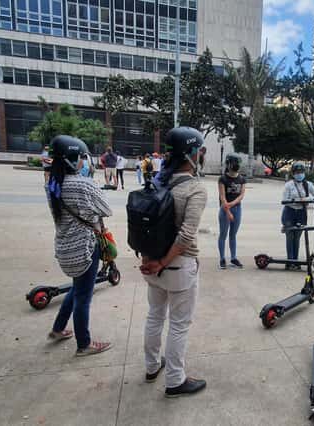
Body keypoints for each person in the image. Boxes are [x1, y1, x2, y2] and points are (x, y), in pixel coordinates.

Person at [139, 127, 208, 398]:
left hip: (152, 264)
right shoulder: (195, 189)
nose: (202, 155)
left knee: (155, 315)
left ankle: (152, 366)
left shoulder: (157, 182)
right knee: (179, 324)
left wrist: (151, 260)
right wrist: (163, 263)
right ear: (191, 154)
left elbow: (141, 226)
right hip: (177, 267)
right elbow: (187, 235)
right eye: (200, 151)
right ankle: (175, 381)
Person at [45, 135, 113, 356]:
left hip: (65, 248)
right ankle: (84, 344)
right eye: (81, 157)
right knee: (84, 296)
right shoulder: (83, 183)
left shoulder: (52, 184)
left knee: (77, 288)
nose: (84, 161)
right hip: (84, 249)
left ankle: (57, 329)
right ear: (73, 159)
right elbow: (106, 209)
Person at [280, 162, 314, 270]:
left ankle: (295, 261)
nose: (299, 174)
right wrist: (296, 201)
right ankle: (290, 260)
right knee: (290, 236)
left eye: (301, 172)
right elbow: (284, 200)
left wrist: (307, 199)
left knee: (297, 237)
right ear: (293, 173)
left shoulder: (308, 184)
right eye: (297, 172)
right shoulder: (289, 185)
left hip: (301, 213)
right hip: (289, 212)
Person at [217, 155, 246, 270]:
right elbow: (222, 197)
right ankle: (222, 258)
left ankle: (233, 257)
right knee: (223, 234)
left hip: (237, 208)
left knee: (233, 235)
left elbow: (242, 195)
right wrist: (228, 211)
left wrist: (232, 204)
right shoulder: (223, 179)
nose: (236, 165)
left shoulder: (242, 179)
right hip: (225, 209)